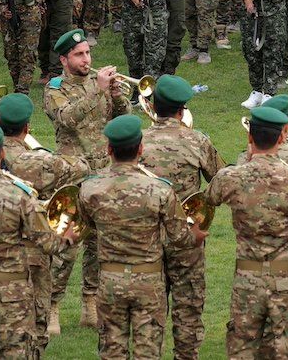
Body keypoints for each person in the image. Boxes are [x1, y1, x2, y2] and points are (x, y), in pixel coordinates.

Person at [0, 93, 90, 344]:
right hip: (30, 257)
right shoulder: (41, 161)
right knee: (32, 331)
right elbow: (82, 167)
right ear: (27, 127)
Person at [205, 106, 288, 358]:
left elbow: (209, 197)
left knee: (242, 347)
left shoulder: (230, 177)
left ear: (249, 137)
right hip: (286, 279)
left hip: (247, 277)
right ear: (283, 137)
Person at [79, 114, 205, 359]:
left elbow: (88, 226)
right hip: (148, 280)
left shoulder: (90, 188)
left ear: (108, 149)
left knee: (111, 351)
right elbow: (178, 237)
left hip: (110, 280)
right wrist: (196, 237)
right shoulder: (160, 189)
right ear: (141, 149)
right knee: (147, 352)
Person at [42, 28, 129, 327]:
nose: (86, 59)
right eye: (79, 55)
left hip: (103, 171)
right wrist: (99, 91)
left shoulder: (99, 83)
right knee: (68, 243)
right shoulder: (54, 88)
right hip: (72, 172)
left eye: (88, 53)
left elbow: (122, 121)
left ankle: (90, 301)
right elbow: (66, 119)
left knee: (98, 242)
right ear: (64, 59)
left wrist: (117, 97)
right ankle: (52, 304)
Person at [136, 75, 226, 360]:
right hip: (188, 235)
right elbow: (220, 183)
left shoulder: (138, 140)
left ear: (153, 105)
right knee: (188, 305)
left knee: (149, 307)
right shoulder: (197, 140)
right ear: (182, 109)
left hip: (146, 236)